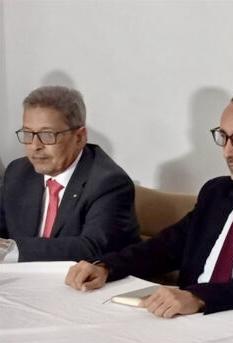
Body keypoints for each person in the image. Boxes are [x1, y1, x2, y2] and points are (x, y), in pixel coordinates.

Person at [65, 88, 233, 318]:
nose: (227, 151)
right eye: (223, 137)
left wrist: (200, 297)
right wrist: (106, 266)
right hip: (189, 322)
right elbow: (166, 247)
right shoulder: (217, 192)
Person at [0, 86, 140, 262]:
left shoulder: (108, 183)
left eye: (47, 135)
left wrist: (11, 250)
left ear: (79, 137)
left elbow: (92, 248)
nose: (35, 146)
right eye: (28, 133)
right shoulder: (19, 172)